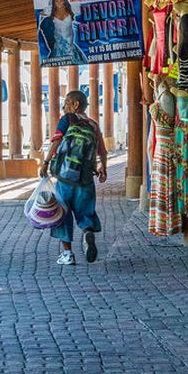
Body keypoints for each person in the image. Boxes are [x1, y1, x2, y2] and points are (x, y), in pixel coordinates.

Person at [41, 89, 107, 265]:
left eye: (66, 103)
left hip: (65, 177)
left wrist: (46, 162)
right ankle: (87, 233)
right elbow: (102, 151)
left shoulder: (67, 120)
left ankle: (68, 254)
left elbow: (56, 141)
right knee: (86, 213)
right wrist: (103, 168)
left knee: (62, 213)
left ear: (75, 105)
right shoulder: (93, 125)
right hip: (85, 179)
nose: (64, 107)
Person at [38, 0, 87, 64]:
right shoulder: (50, 12)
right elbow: (42, 13)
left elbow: (82, 7)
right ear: (54, 2)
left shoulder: (71, 10)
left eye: (61, 1)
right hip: (58, 47)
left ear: (64, 1)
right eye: (56, 1)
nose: (59, 3)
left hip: (71, 46)